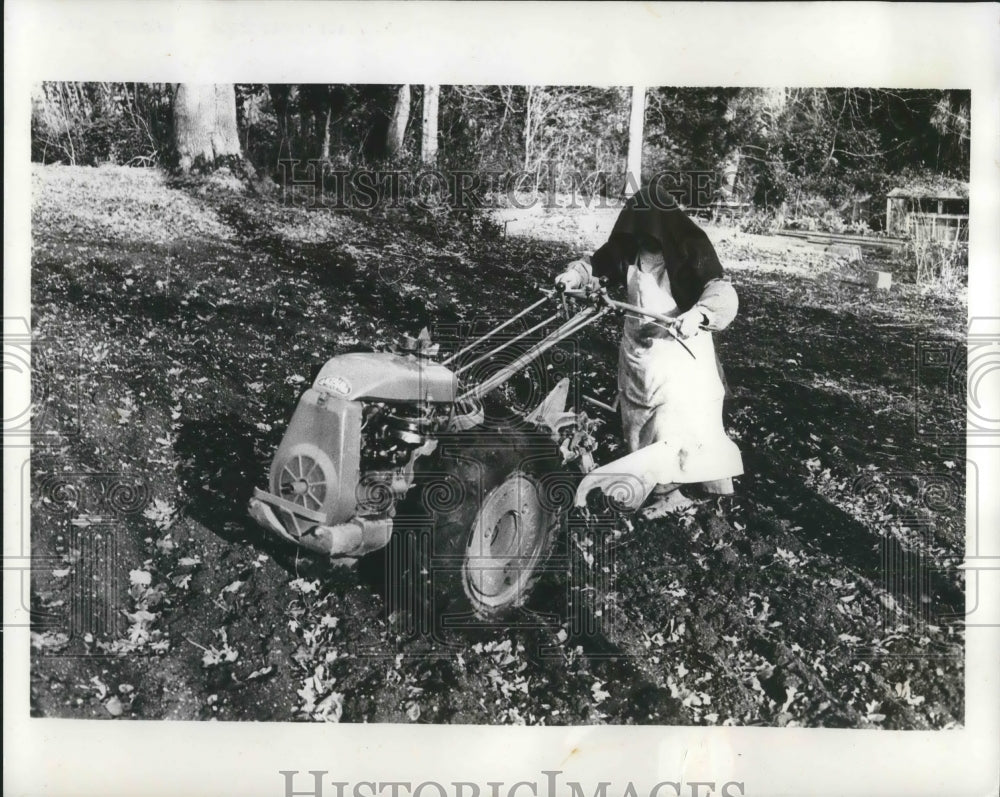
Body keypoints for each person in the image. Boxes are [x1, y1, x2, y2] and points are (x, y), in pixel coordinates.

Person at [555, 183, 743, 518]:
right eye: (637, 232)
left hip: (679, 349)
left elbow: (721, 291)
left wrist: (699, 314)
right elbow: (593, 266)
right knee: (640, 421)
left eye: (648, 234)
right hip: (639, 349)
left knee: (676, 422)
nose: (642, 240)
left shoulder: (689, 247)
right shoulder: (627, 250)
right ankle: (656, 485)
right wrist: (572, 276)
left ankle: (678, 490)